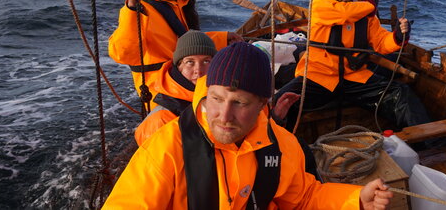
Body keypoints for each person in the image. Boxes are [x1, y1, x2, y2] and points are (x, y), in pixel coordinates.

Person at [103, 42, 394, 209]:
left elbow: (305, 197)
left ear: (262, 105)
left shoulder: (282, 146)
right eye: (216, 99)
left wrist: (356, 199)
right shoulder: (167, 147)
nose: (224, 115)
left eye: (240, 103)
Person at [273, 0, 430, 131]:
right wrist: (371, 3)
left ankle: (427, 143)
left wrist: (399, 37)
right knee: (281, 102)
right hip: (319, 76)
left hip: (354, 77)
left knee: (401, 94)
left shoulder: (364, 11)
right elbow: (345, 14)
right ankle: (284, 147)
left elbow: (380, 42)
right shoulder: (321, 4)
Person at [108, 0, 242, 109]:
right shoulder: (140, 7)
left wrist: (222, 38)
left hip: (184, 76)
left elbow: (182, 42)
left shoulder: (178, 3)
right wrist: (132, 7)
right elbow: (124, 55)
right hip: (161, 92)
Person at [134, 30, 217, 146]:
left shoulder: (219, 97)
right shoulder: (161, 120)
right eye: (190, 62)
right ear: (179, 66)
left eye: (206, 61)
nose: (199, 70)